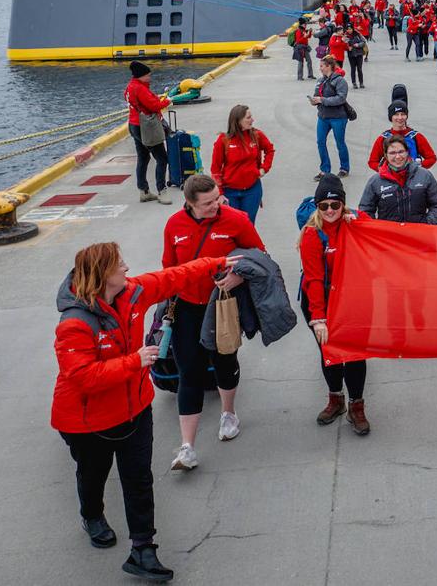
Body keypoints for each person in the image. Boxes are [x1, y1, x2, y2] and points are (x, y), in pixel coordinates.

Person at [53, 244, 237, 581]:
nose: (127, 267)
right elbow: (81, 377)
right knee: (93, 474)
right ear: (102, 274)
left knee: (138, 479)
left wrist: (218, 261)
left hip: (134, 410)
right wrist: (134, 361)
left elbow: (174, 276)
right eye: (119, 264)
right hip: (86, 422)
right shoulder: (74, 324)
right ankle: (92, 515)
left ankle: (143, 549)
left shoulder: (133, 292)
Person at [161, 174, 265, 472]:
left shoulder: (236, 220)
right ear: (190, 204)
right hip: (186, 308)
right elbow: (168, 267)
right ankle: (187, 447)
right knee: (189, 372)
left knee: (224, 361)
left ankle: (228, 413)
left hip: (221, 306)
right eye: (207, 203)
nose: (215, 206)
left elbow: (259, 255)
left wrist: (239, 276)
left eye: (217, 199)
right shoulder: (174, 226)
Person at [298, 175, 372, 435]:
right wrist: (318, 318)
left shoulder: (355, 223)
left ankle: (357, 405)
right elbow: (314, 279)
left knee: (354, 354)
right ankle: (335, 399)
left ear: (343, 204)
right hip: (322, 302)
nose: (330, 211)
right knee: (330, 355)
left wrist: (360, 221)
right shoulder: (311, 234)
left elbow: (380, 234)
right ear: (317, 207)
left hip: (354, 301)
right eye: (324, 206)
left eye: (335, 205)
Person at [210, 105, 275, 224]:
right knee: (233, 226)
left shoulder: (256, 135)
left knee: (248, 225)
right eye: (248, 118)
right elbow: (215, 169)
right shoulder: (223, 140)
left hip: (252, 190)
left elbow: (270, 150)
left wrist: (264, 169)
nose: (252, 120)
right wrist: (219, 194)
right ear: (238, 121)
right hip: (229, 192)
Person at [359, 137, 437, 224]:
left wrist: (428, 223)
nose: (397, 156)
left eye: (401, 152)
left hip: (419, 234)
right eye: (392, 153)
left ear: (407, 152)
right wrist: (376, 229)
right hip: (388, 235)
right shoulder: (375, 181)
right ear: (385, 155)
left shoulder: (425, 176)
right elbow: (365, 209)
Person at [124, 61, 172, 205]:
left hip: (134, 124)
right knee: (162, 158)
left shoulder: (129, 87)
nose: (150, 77)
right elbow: (154, 105)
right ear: (141, 76)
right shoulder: (140, 89)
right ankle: (162, 191)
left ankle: (144, 191)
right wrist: (168, 101)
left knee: (143, 158)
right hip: (147, 127)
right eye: (148, 75)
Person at [311, 57, 351, 179]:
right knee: (320, 142)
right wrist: (314, 101)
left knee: (340, 143)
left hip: (338, 117)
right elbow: (317, 95)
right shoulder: (320, 81)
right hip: (323, 116)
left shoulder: (340, 81)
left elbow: (341, 98)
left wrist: (322, 100)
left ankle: (344, 168)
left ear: (328, 66)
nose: (320, 68)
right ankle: (325, 170)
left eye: (322, 66)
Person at [367, 101, 437, 172]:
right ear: (391, 117)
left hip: (412, 178)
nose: (400, 118)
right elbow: (372, 162)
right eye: (396, 114)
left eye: (403, 114)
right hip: (390, 179)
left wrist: (418, 167)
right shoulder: (383, 138)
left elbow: (431, 158)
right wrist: (384, 170)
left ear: (406, 116)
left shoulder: (416, 136)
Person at [345, 24, 367, 89]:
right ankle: (354, 83)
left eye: (350, 29)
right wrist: (347, 47)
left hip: (359, 54)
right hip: (351, 54)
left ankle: (361, 83)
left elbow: (363, 41)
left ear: (353, 29)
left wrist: (358, 45)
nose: (349, 30)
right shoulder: (345, 36)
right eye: (348, 29)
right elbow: (343, 45)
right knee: (353, 69)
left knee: (359, 69)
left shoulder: (358, 34)